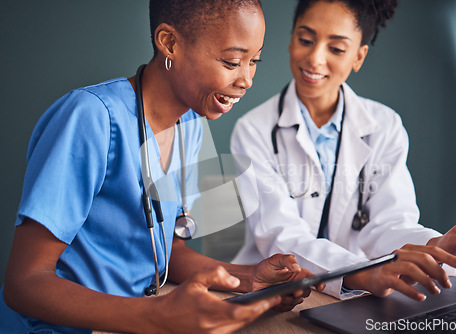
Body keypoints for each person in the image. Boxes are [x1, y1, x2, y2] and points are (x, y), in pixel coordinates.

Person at [0, 1, 324, 333]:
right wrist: (156, 316)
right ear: (169, 42)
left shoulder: (191, 122)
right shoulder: (90, 118)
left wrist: (247, 278)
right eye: (232, 62)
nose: (246, 80)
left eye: (254, 61)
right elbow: (24, 283)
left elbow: (165, 253)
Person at [231, 0, 456, 302]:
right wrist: (358, 272)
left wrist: (435, 245)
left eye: (336, 49)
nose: (315, 58)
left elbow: (390, 222)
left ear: (358, 57)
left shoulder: (384, 125)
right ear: (290, 39)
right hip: (279, 291)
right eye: (305, 40)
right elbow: (280, 236)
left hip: (358, 291)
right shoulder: (253, 130)